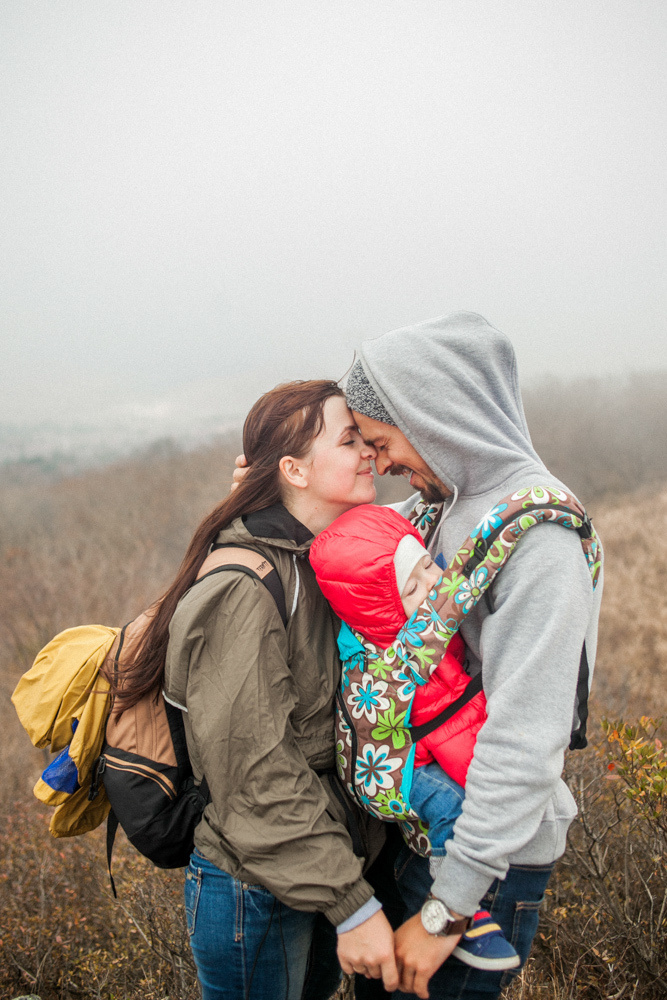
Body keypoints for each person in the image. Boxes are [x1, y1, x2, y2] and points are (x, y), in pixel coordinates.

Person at [109, 380, 403, 1000]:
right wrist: (352, 904)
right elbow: (254, 771)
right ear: (294, 469)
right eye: (349, 440)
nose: (369, 453)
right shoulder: (244, 589)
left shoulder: (318, 558)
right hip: (255, 889)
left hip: (313, 866)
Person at [343, 311, 604, 1000]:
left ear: (431, 415)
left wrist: (445, 908)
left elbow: (524, 737)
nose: (381, 461)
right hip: (428, 838)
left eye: (382, 439)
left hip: (485, 868)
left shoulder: (538, 539)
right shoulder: (443, 507)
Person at [309, 502, 520, 972]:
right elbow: (465, 584)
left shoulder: (376, 613)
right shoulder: (399, 651)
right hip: (384, 778)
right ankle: (458, 915)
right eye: (413, 585)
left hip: (396, 754)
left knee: (435, 819)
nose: (431, 584)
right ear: (384, 604)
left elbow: (412, 538)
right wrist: (522, 513)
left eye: (428, 564)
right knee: (450, 808)